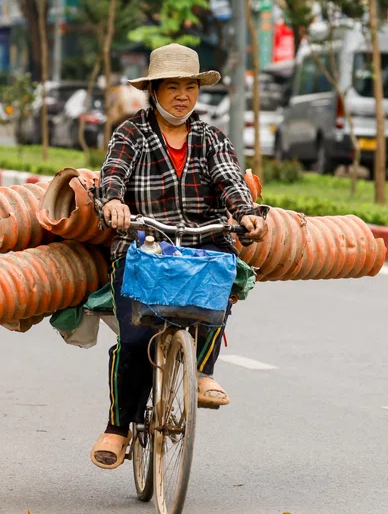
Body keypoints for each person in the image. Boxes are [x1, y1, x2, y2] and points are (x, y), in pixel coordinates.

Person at [89, 43, 268, 470]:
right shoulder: (131, 135)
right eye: (173, 87)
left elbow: (229, 179)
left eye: (190, 86)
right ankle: (118, 427)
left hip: (201, 241)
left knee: (219, 285)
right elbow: (112, 174)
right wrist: (113, 203)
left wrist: (245, 213)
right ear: (154, 91)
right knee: (133, 338)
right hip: (144, 244)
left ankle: (202, 372)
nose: (183, 95)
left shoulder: (211, 138)